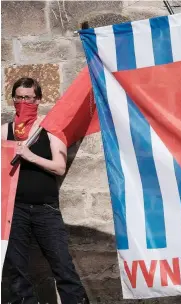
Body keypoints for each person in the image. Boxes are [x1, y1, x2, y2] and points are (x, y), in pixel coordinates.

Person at [1, 77, 89, 304]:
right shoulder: (4, 131)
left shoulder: (49, 129)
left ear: (38, 99)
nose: (23, 102)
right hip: (14, 210)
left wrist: (30, 156)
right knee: (16, 270)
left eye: (28, 98)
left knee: (62, 266)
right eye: (19, 97)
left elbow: (59, 167)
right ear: (13, 99)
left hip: (46, 209)